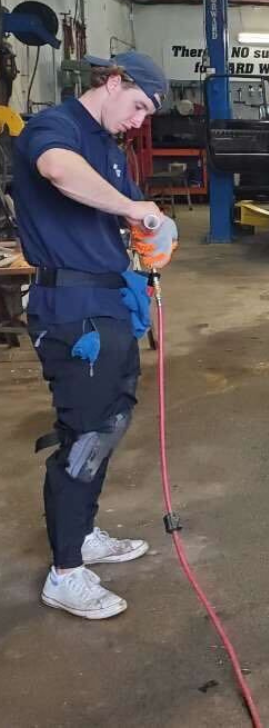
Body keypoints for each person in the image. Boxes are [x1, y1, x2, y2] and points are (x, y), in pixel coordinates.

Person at [12, 51, 172, 620]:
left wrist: (145, 232)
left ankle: (81, 534)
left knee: (109, 419)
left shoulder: (107, 144)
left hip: (106, 297)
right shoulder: (54, 128)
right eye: (136, 107)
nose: (138, 121)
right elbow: (57, 170)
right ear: (112, 82)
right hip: (72, 306)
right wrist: (133, 205)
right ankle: (65, 571)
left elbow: (114, 212)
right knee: (83, 434)